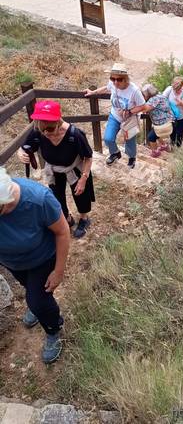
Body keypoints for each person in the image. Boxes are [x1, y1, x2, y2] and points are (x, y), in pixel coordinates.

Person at [0, 167, 70, 364]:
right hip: (12, 262)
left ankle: (53, 328)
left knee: (39, 300)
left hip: (42, 258)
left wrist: (58, 271)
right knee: (29, 288)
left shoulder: (38, 200)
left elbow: (63, 232)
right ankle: (35, 303)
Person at [18, 100, 94, 239]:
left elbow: (88, 157)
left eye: (51, 129)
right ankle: (67, 218)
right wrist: (21, 154)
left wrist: (83, 178)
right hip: (54, 170)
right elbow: (24, 148)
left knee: (80, 194)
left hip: (73, 168)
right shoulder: (38, 132)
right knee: (57, 197)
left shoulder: (75, 135)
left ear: (58, 121)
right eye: (43, 129)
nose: (47, 133)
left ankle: (84, 219)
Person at [85, 63, 145, 170]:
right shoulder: (112, 84)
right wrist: (93, 92)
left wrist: (130, 111)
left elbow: (142, 106)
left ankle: (132, 157)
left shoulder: (134, 91)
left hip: (129, 119)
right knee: (108, 138)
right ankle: (115, 153)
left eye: (119, 79)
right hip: (115, 115)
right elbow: (106, 88)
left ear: (126, 79)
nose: (115, 82)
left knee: (130, 141)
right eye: (113, 79)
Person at [135, 84, 174, 158]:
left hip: (163, 123)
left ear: (148, 94)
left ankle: (155, 152)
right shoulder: (159, 95)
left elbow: (144, 109)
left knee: (151, 137)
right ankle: (164, 145)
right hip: (167, 120)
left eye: (144, 94)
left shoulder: (153, 99)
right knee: (157, 134)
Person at [163, 77, 183, 147]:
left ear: (182, 86)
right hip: (171, 116)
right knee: (172, 132)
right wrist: (168, 106)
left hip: (182, 116)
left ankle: (179, 147)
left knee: (180, 132)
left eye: (177, 89)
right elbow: (162, 99)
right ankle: (172, 145)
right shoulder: (169, 89)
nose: (175, 91)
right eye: (174, 89)